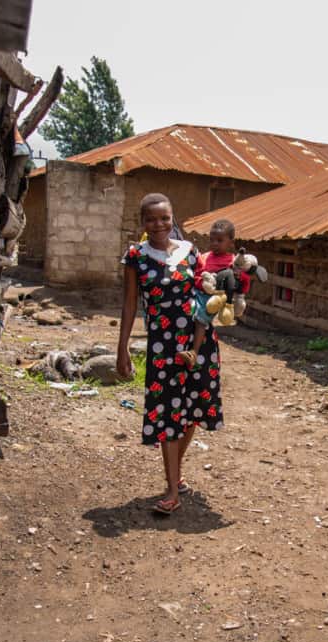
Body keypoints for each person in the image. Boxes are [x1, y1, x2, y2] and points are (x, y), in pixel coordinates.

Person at [117, 193, 224, 514]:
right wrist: (121, 347)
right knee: (168, 415)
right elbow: (130, 303)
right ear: (143, 224)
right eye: (152, 220)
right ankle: (172, 489)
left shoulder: (191, 253)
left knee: (192, 411)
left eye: (164, 218)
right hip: (163, 348)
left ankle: (174, 474)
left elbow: (208, 292)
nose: (159, 224)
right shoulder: (136, 256)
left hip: (199, 344)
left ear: (172, 218)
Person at [178, 219, 250, 368]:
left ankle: (194, 352)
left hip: (215, 298)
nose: (215, 243)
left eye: (219, 240)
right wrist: (203, 284)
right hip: (199, 292)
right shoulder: (204, 257)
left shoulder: (233, 261)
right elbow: (196, 275)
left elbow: (243, 282)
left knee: (201, 319)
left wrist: (237, 278)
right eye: (212, 240)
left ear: (231, 242)